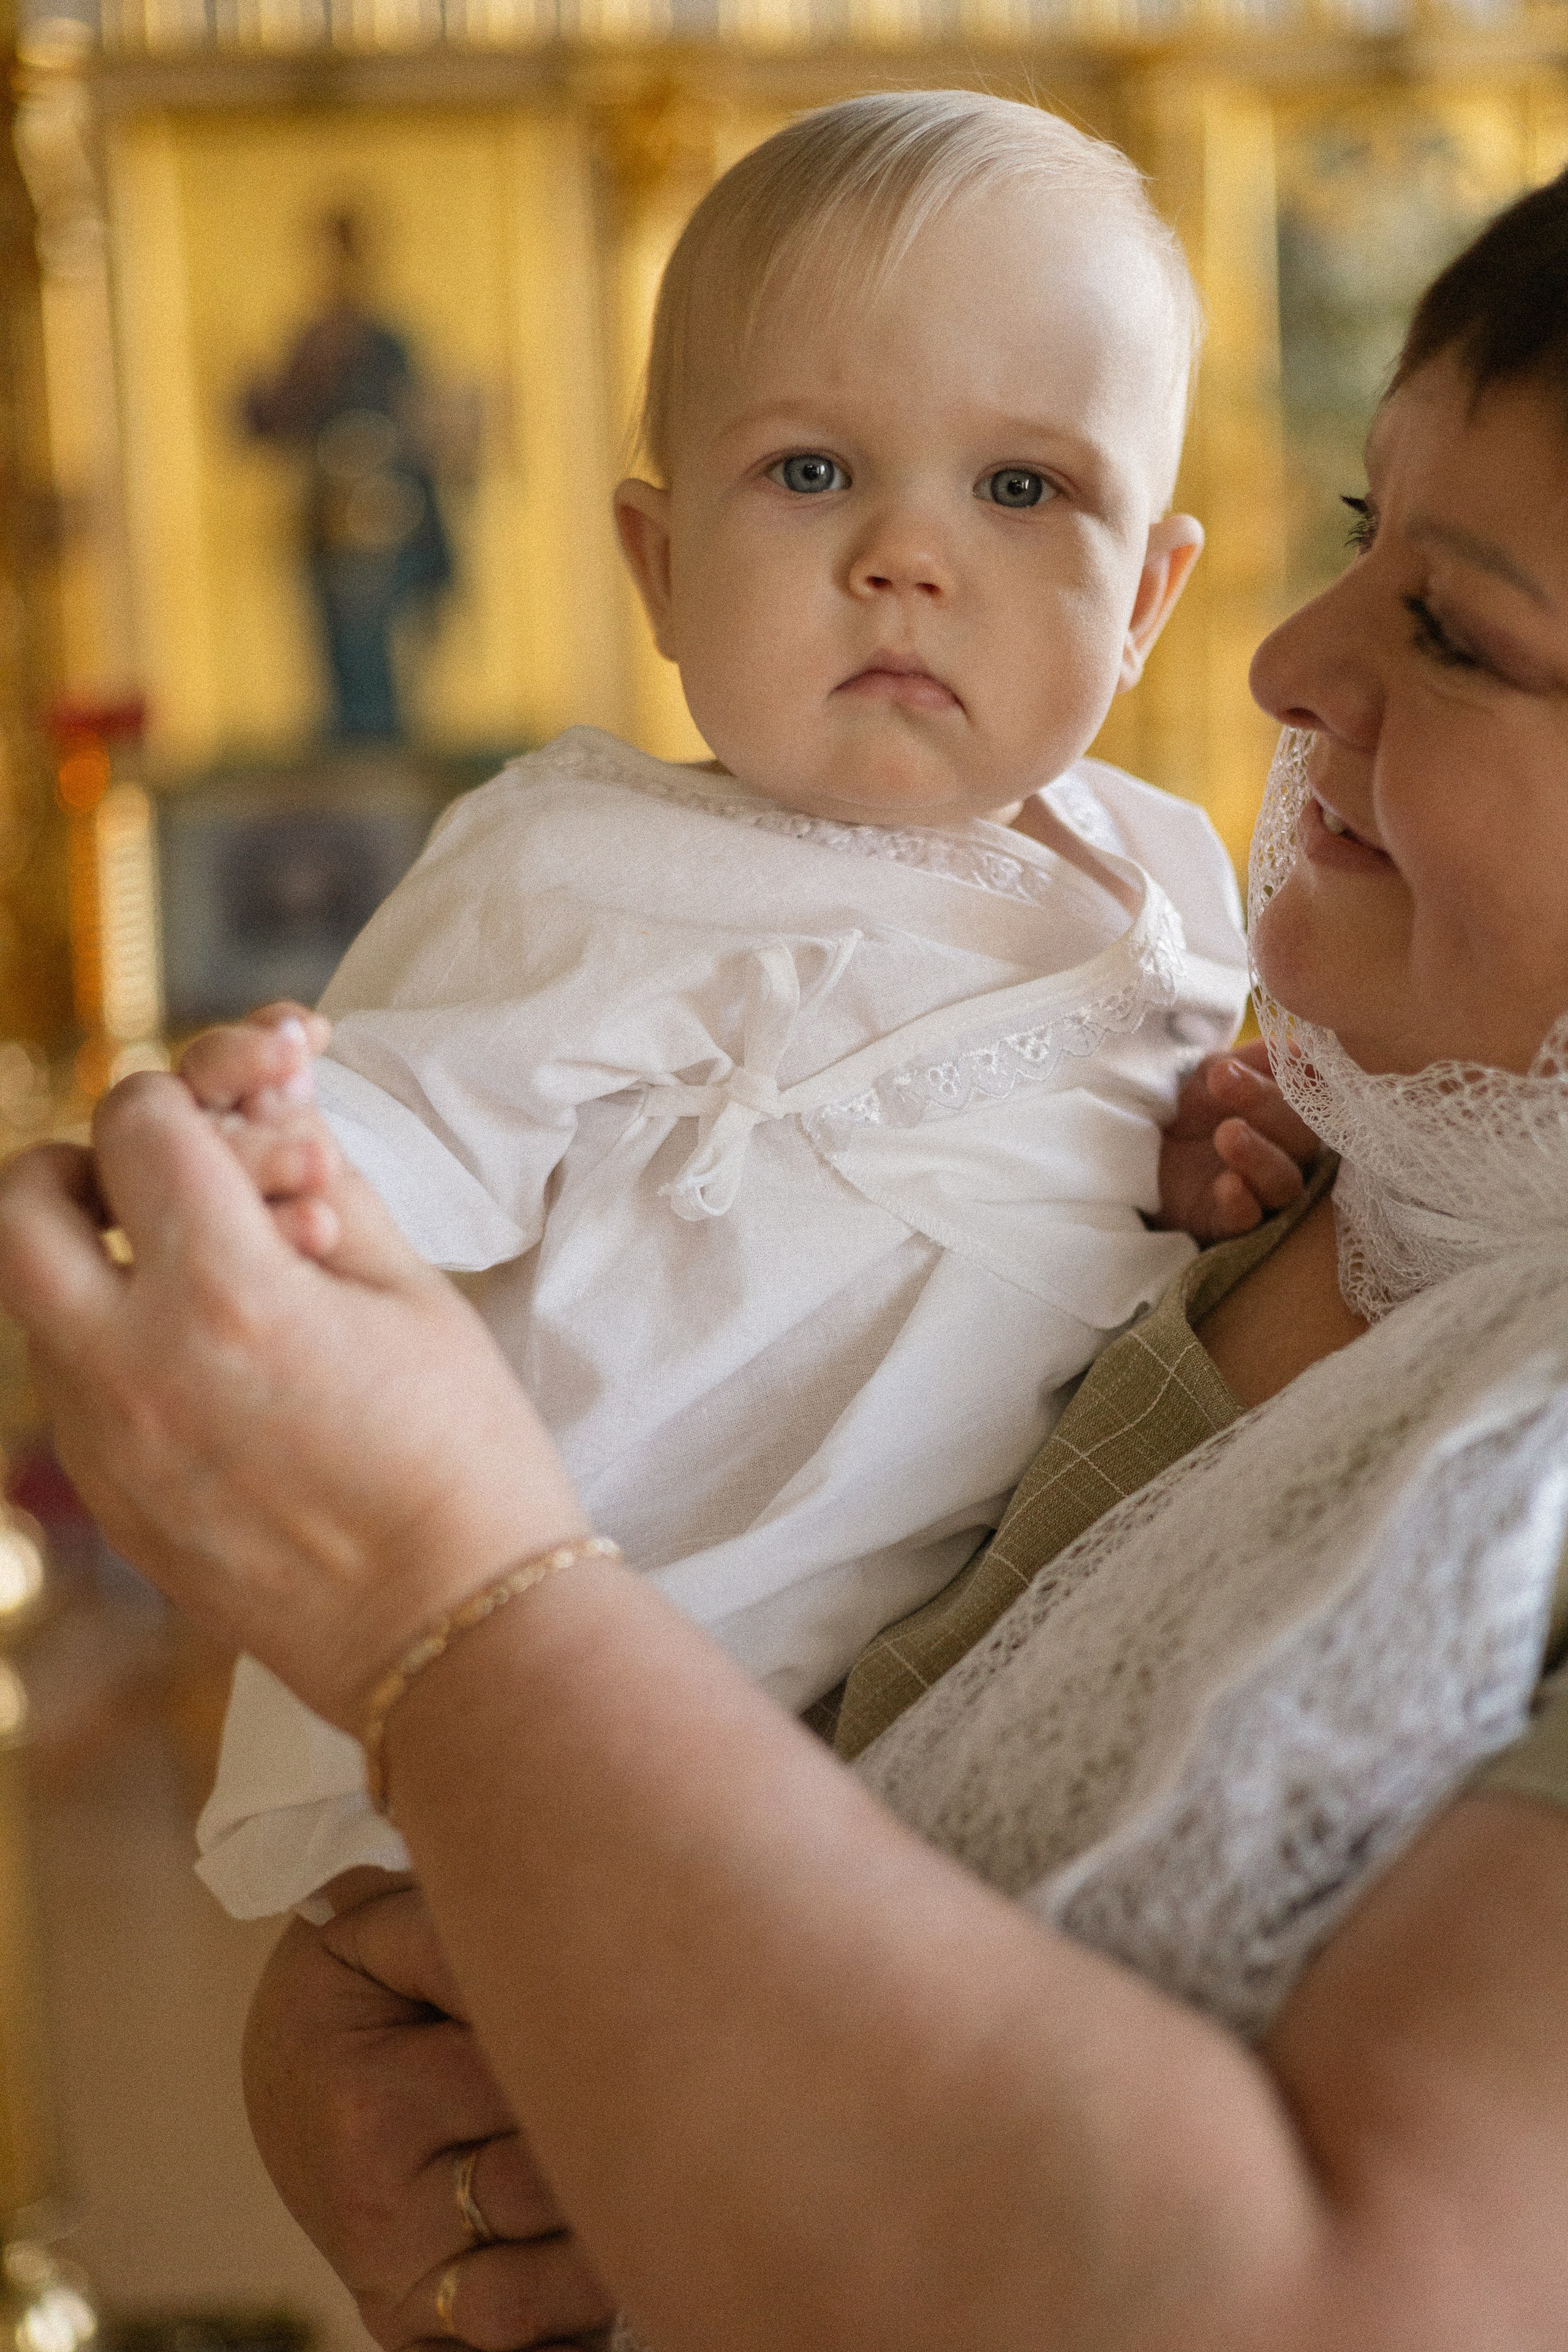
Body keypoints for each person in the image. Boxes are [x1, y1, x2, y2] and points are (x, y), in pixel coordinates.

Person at [12, 146, 1568, 2352]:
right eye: (1356, 542)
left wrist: (454, 1628)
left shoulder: (1158, 906)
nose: (1289, 666)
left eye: (1459, 625)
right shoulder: (1332, 1117)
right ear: (661, 555)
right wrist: (399, 2088)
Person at [196, 91, 1294, 1924]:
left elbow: (1110, 1246)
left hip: (920, 1731)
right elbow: (401, 1137)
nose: (906, 557)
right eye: (809, 473)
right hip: (603, 1677)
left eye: (1023, 489)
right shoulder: (586, 869)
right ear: (659, 563)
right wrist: (279, 1158)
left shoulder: (1170, 887)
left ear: (1148, 603)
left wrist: (1186, 1182)